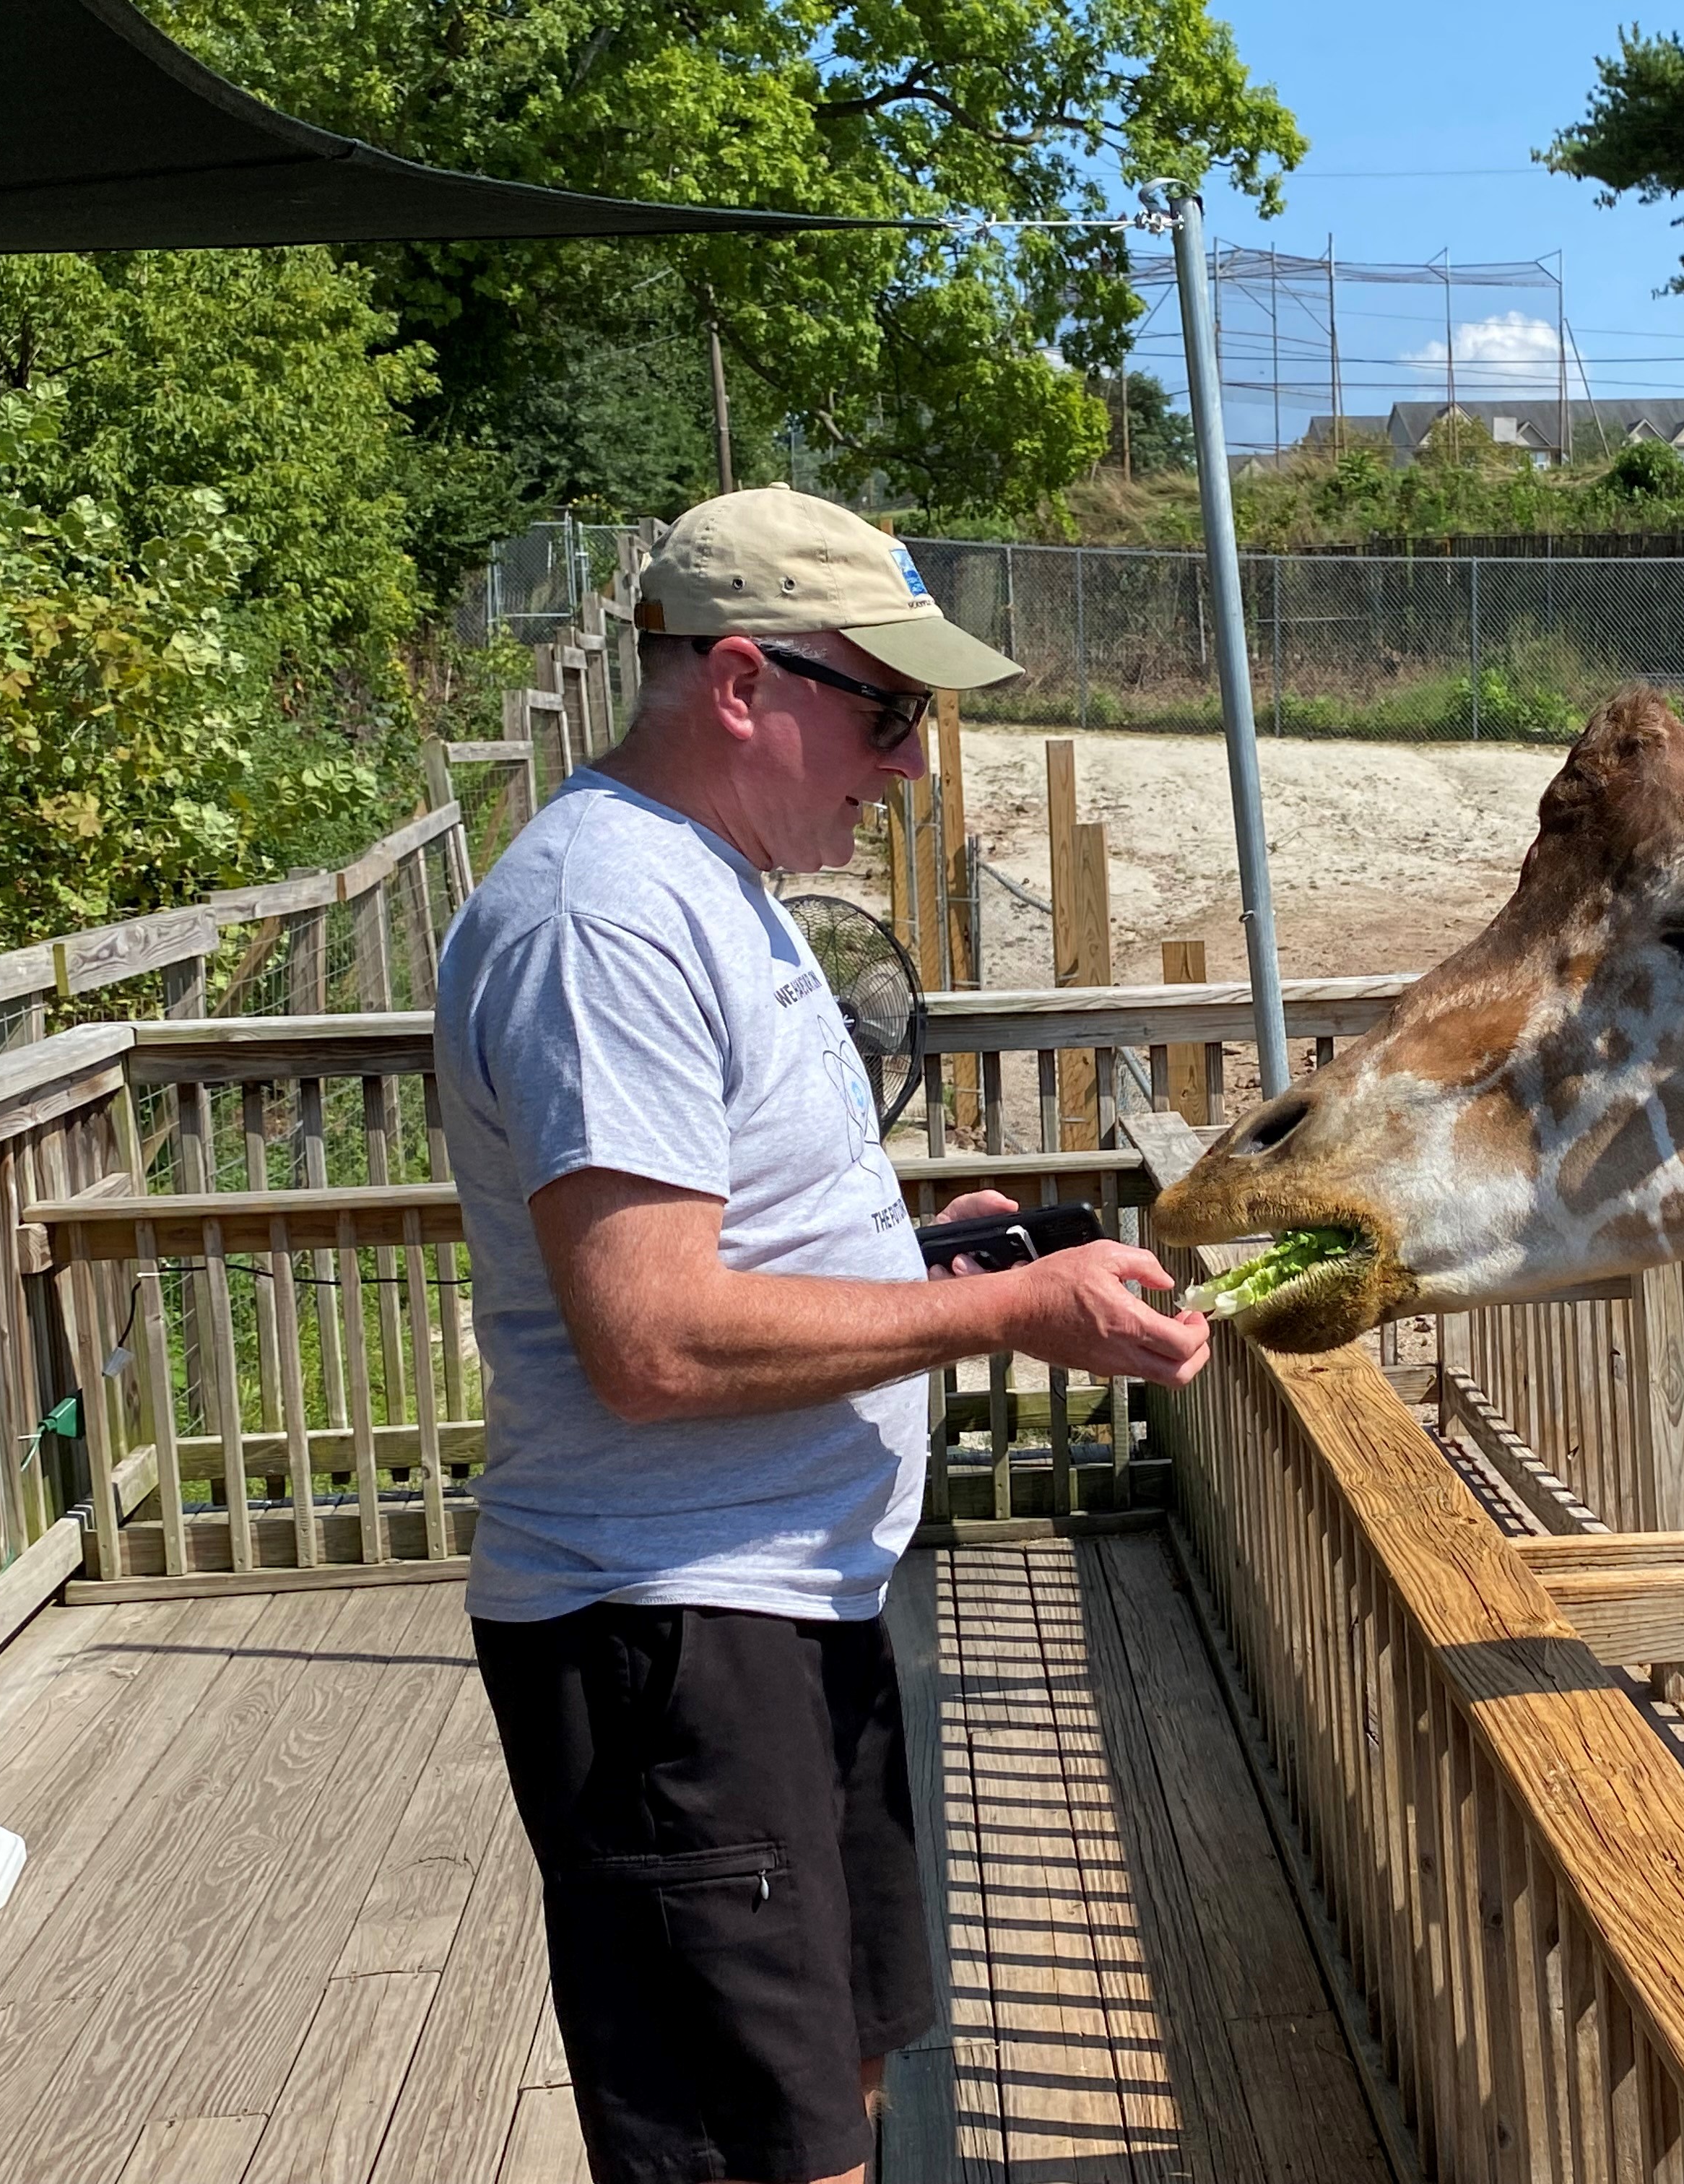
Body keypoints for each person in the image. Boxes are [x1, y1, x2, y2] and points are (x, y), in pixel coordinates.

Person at [433, 485, 1210, 2184]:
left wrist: (921, 1256)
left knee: (833, 2086)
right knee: (753, 2152)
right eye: (888, 711)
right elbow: (651, 1337)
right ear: (740, 683)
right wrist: (1003, 1308)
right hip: (671, 1633)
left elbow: (722, 1244)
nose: (912, 766)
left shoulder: (711, 882)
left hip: (785, 1605)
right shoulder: (603, 918)